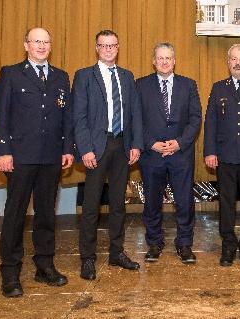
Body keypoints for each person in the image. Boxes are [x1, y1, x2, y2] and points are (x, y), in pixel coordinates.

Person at [0, 27, 74, 297]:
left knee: (46, 215)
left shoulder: (61, 77)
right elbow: (0, 116)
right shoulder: (12, 74)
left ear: (51, 46)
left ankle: (44, 266)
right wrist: (2, 151)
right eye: (36, 41)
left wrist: (67, 149)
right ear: (26, 45)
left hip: (51, 158)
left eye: (46, 42)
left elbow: (66, 119)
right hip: (20, 158)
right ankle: (11, 272)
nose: (41, 46)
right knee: (15, 216)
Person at [72, 30, 143, 280]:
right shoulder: (84, 76)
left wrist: (136, 144)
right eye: (103, 45)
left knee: (117, 205)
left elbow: (134, 114)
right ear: (96, 48)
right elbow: (78, 117)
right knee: (91, 206)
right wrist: (85, 148)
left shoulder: (127, 76)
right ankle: (88, 258)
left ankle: (116, 252)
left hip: (122, 146)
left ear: (118, 47)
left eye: (112, 45)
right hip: (96, 147)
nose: (108, 49)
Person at [136, 43, 202, 264]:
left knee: (184, 202)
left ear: (174, 61)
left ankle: (184, 244)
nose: (164, 62)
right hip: (151, 155)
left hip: (180, 154)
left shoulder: (188, 85)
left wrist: (179, 143)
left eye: (168, 58)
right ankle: (154, 243)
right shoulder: (140, 85)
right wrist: (151, 143)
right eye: (160, 58)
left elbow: (195, 119)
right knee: (152, 202)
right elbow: (135, 120)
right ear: (154, 61)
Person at [203, 44, 240, 267]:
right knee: (226, 205)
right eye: (234, 59)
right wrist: (210, 151)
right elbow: (211, 122)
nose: (238, 63)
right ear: (228, 63)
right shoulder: (219, 88)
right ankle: (228, 245)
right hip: (225, 156)